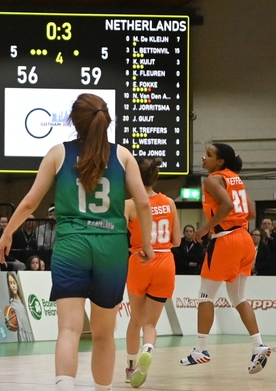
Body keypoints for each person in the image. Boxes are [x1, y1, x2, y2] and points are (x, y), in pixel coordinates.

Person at [0, 94, 153, 391]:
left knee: (68, 329)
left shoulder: (58, 153)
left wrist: (7, 234)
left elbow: (30, 202)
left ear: (72, 121)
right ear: (106, 119)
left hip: (71, 246)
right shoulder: (122, 155)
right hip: (112, 247)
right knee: (104, 334)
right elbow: (143, 204)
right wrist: (146, 243)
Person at [179, 143, 271, 374]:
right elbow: (249, 212)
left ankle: (201, 349)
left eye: (209, 155)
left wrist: (204, 229)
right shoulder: (236, 179)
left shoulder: (212, 179)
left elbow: (227, 205)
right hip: (245, 239)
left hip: (226, 239)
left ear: (220, 162)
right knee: (238, 297)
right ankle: (258, 344)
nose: (203, 157)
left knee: (204, 296)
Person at [123, 158, 181, 387]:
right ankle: (148, 348)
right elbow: (176, 240)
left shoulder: (129, 204)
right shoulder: (169, 202)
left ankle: (130, 368)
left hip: (140, 260)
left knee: (135, 320)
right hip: (165, 260)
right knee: (150, 324)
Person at [5, 272, 34, 342]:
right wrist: (9, 323)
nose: (13, 286)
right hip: (22, 334)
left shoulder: (24, 299)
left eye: (14, 283)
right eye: (11, 283)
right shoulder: (12, 304)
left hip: (31, 332)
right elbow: (9, 321)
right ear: (8, 286)